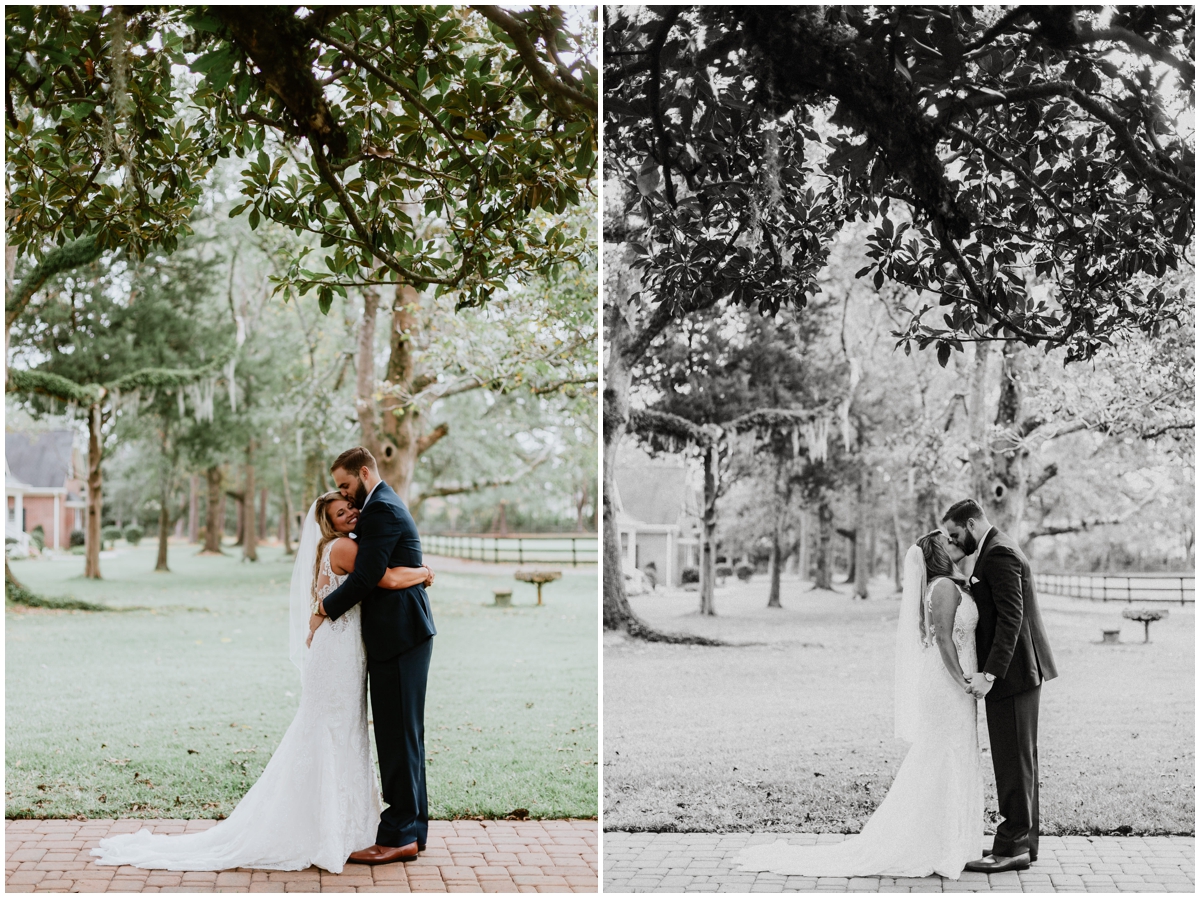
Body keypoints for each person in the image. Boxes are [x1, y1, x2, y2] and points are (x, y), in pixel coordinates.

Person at [91, 489, 433, 873]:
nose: (352, 513)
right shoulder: (344, 548)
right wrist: (423, 572)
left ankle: (341, 825)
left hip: (341, 649)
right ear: (329, 522)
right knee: (331, 731)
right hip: (338, 654)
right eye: (342, 512)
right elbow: (383, 578)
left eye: (352, 507)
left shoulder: (335, 546)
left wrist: (322, 610)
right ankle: (324, 828)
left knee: (338, 731)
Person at [737, 530, 984, 878]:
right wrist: (963, 681)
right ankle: (932, 842)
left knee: (953, 754)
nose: (954, 542)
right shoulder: (943, 588)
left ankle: (952, 838)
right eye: (947, 541)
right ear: (936, 554)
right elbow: (943, 639)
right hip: (947, 684)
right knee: (944, 755)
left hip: (953, 683)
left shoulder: (949, 584)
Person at [312, 446, 437, 865]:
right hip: (402, 634)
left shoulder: (381, 508)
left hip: (399, 636)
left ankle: (400, 835)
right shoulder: (381, 506)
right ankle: (413, 828)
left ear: (364, 473)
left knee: (397, 735)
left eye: (346, 485)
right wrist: (421, 572)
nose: (344, 495)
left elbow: (368, 577)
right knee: (404, 734)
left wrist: (323, 610)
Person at [942, 498, 1057, 874]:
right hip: (1019, 673)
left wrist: (989, 675)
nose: (953, 541)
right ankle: (1025, 844)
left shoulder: (999, 554)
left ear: (972, 524)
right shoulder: (996, 548)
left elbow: (1012, 618)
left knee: (1012, 762)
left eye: (956, 534)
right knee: (1021, 760)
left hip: (1013, 675)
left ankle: (1010, 849)